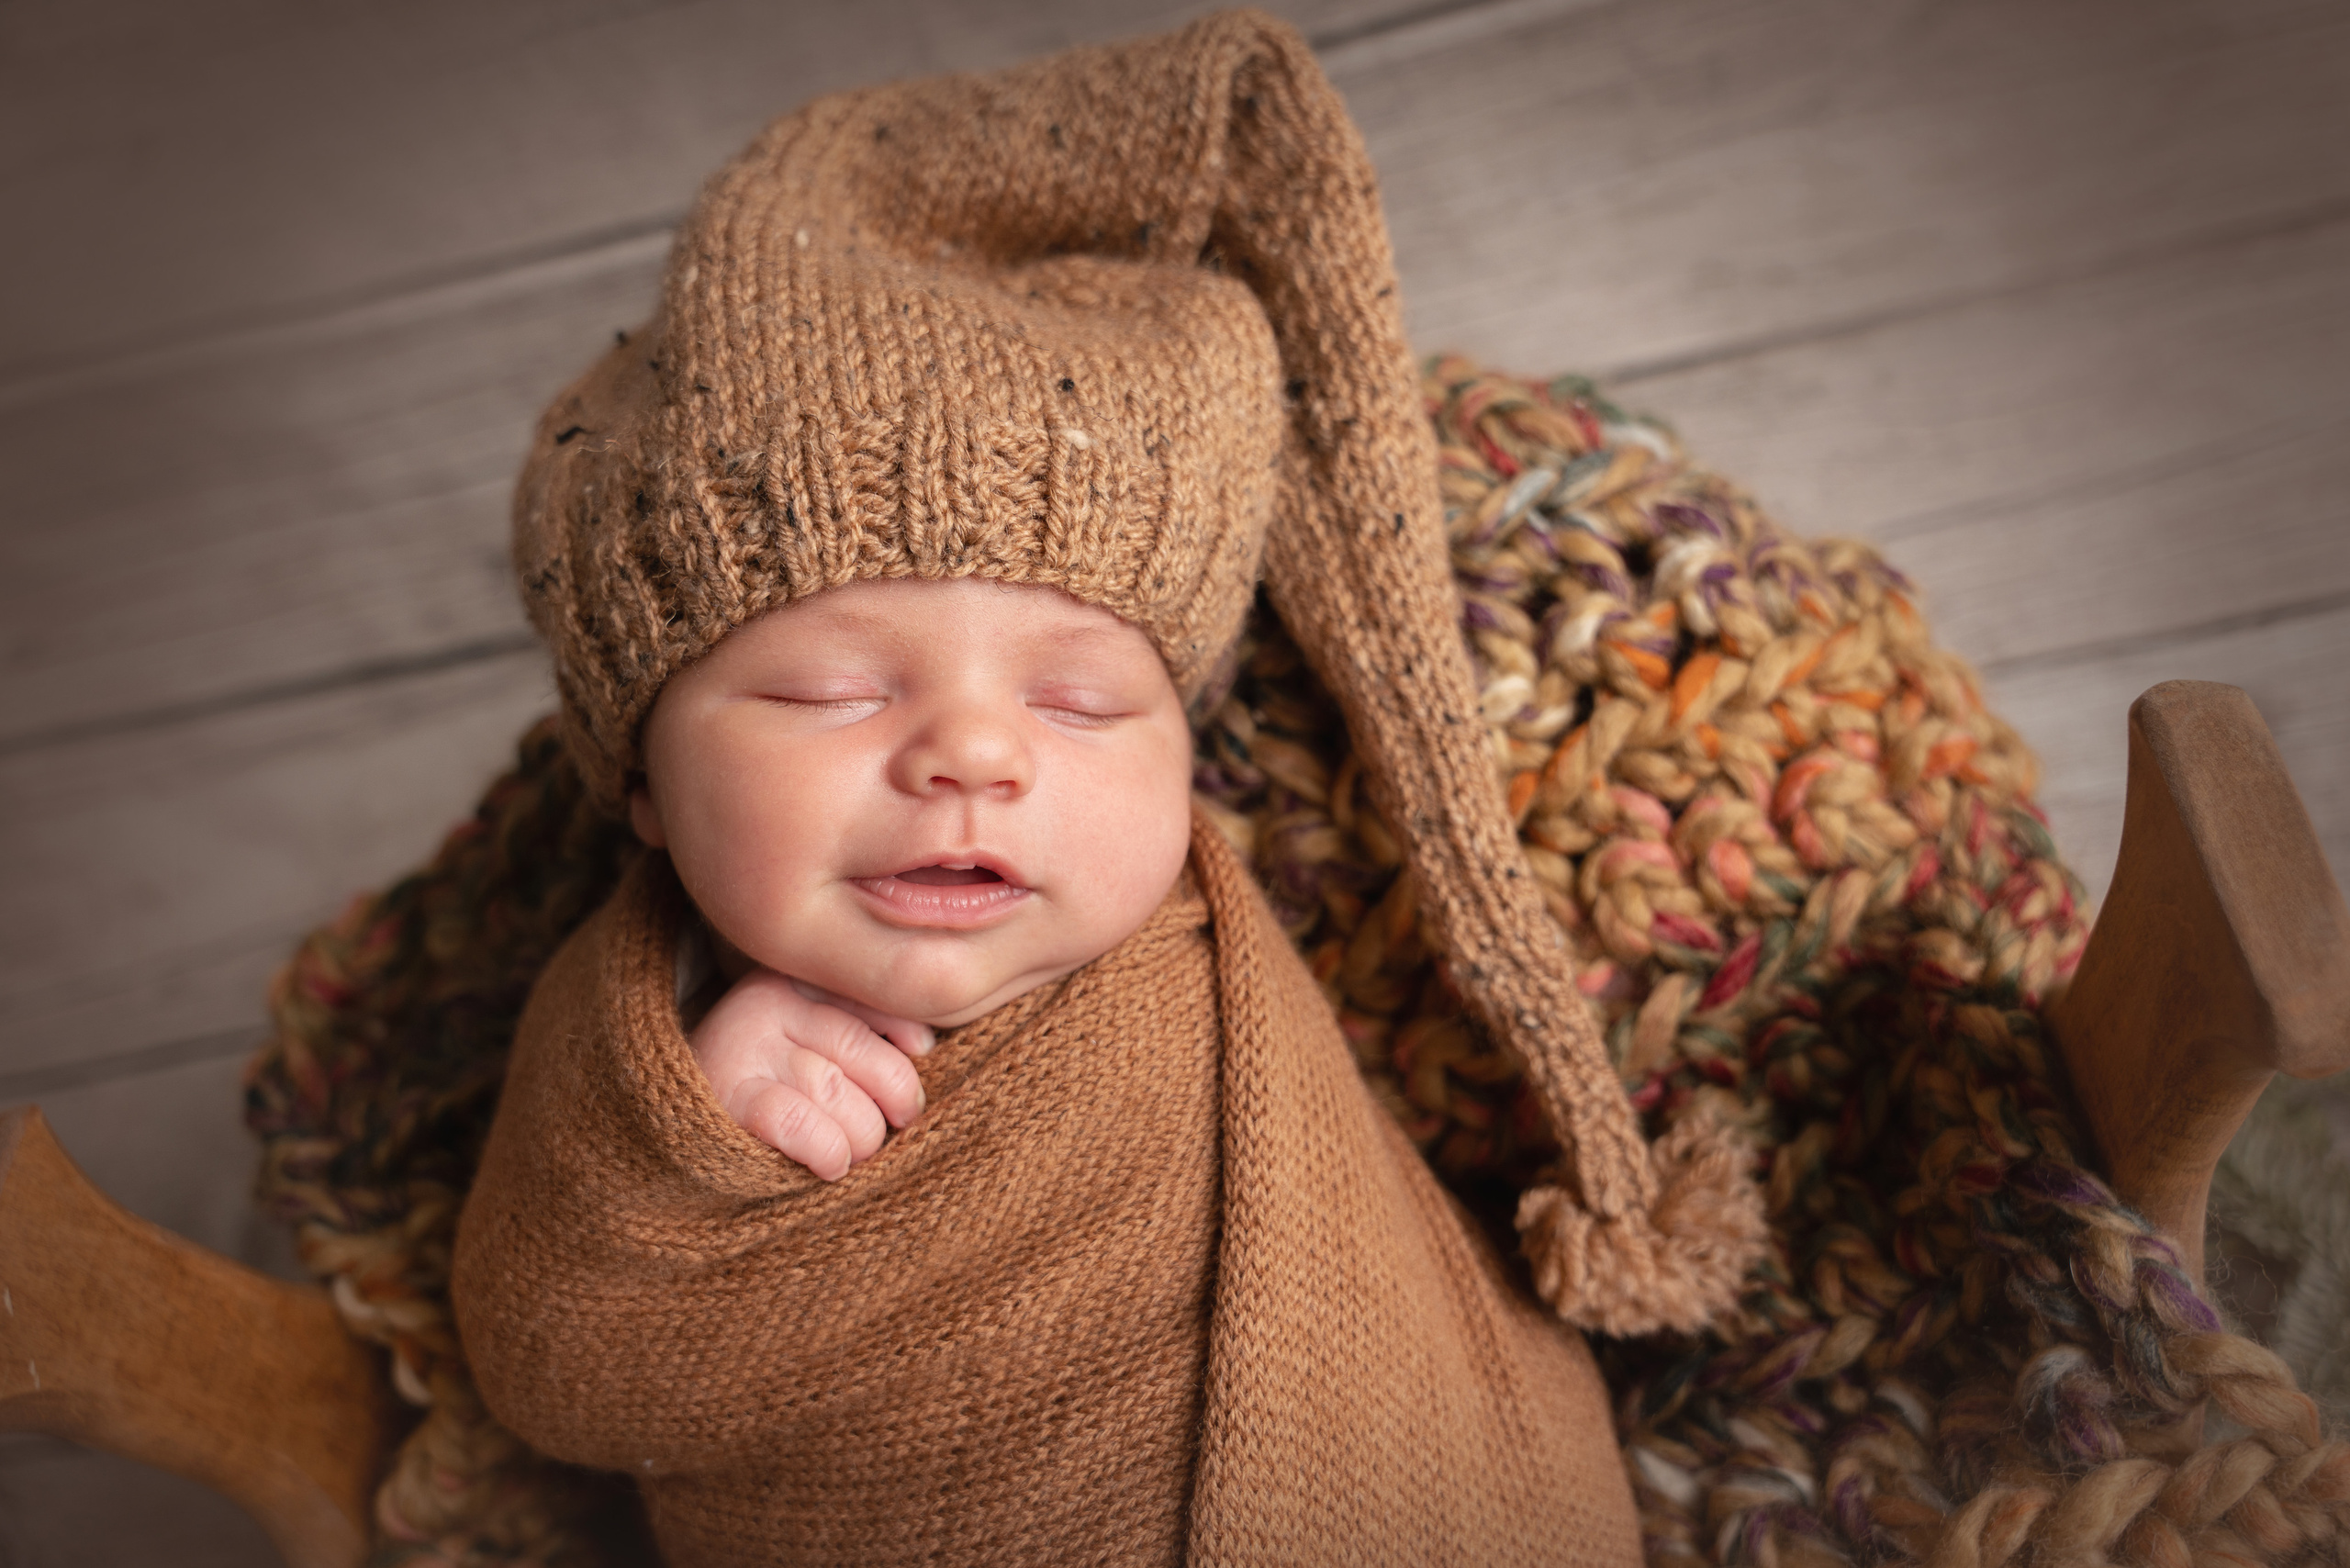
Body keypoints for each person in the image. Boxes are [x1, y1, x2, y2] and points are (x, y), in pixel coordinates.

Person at [447, 12, 1762, 1563]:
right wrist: (687, 1134)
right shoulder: (640, 1038)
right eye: (831, 689)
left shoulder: (1211, 954)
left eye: (1079, 701)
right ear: (646, 786)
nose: (976, 756)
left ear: (1184, 748)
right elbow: (552, 1368)